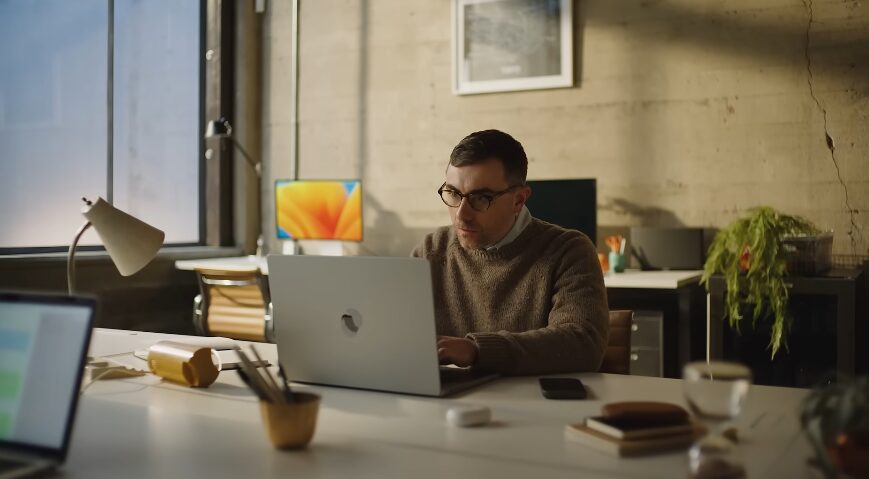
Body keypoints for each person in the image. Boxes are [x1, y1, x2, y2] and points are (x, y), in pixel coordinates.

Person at [412, 129, 609, 375]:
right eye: (453, 193)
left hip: (533, 407)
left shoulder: (569, 251)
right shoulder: (431, 250)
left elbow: (583, 344)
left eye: (481, 197)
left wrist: (476, 349)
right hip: (444, 404)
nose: (461, 214)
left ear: (519, 200)